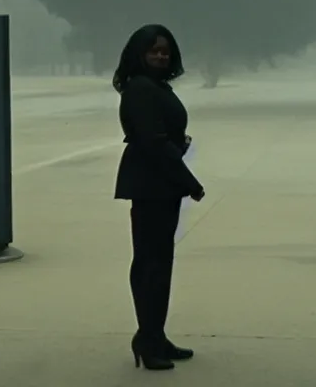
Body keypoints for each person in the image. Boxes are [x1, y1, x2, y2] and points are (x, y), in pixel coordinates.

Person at [112, 24, 205, 371]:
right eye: (154, 50)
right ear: (139, 54)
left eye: (165, 51)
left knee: (160, 264)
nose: (161, 56)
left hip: (161, 183)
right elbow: (151, 141)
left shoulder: (156, 86)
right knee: (150, 265)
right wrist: (190, 182)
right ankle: (147, 340)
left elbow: (162, 135)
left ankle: (155, 334)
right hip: (150, 185)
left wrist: (179, 144)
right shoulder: (139, 88)